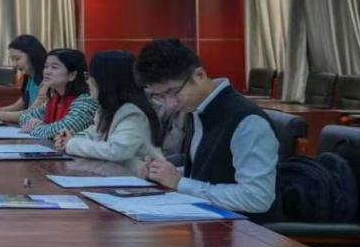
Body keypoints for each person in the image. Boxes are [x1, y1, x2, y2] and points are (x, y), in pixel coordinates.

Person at [134, 38, 279, 220]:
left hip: (246, 229)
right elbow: (210, 171)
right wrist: (162, 173)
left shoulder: (247, 120)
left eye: (173, 92)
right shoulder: (197, 110)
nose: (170, 104)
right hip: (206, 220)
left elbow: (257, 197)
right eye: (160, 97)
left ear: (199, 75)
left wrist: (180, 183)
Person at [54, 50, 162, 169]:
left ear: (106, 81)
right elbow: (92, 136)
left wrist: (72, 144)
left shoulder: (132, 113)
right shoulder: (106, 109)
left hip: (140, 178)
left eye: (90, 76)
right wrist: (69, 139)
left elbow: (116, 151)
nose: (87, 81)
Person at [14, 48, 97, 140]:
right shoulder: (55, 98)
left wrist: (35, 128)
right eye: (46, 66)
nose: (47, 72)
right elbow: (24, 117)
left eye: (54, 67)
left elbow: (61, 130)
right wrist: (41, 127)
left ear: (72, 75)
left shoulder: (86, 101)